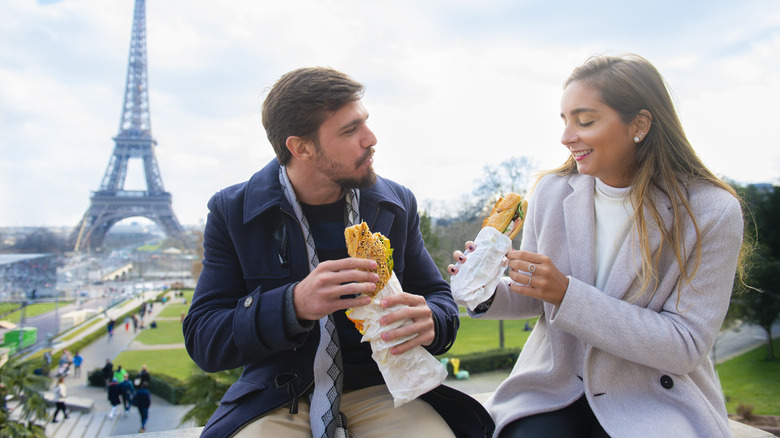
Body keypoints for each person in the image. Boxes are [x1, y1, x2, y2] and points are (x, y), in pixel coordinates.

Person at [183, 67, 492, 438]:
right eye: (350, 130)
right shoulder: (233, 212)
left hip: (383, 387)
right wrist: (292, 305)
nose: (371, 139)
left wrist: (433, 320)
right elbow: (203, 339)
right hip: (279, 394)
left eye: (365, 123)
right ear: (301, 148)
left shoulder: (395, 203)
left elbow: (439, 298)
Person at [450, 54, 745, 437]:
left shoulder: (711, 211)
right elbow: (538, 296)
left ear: (639, 124)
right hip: (555, 386)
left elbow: (685, 345)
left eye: (585, 121)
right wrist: (482, 290)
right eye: (565, 120)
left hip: (650, 393)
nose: (566, 136)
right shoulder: (551, 193)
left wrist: (568, 294)